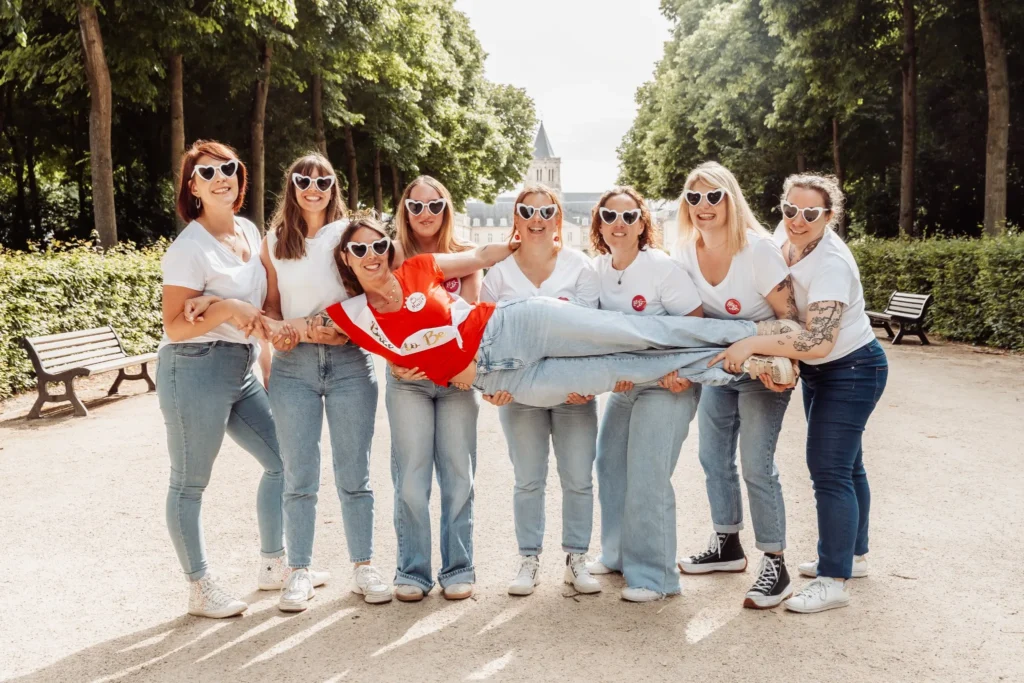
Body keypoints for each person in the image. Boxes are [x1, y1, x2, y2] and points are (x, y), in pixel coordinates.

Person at [264, 216, 796, 413]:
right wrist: (237, 309)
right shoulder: (347, 315)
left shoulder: (419, 269)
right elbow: (287, 329)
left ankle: (755, 332)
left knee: (635, 331)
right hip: (503, 378)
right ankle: (748, 362)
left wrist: (515, 241)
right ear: (346, 262)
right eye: (359, 251)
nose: (372, 254)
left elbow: (476, 257)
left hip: (514, 324)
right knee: (629, 368)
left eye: (378, 245)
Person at [710, 173, 888, 613]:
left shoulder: (831, 262)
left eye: (811, 213)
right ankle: (854, 556)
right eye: (790, 209)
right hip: (823, 373)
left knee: (828, 470)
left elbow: (819, 341)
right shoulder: (783, 237)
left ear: (829, 216)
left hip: (851, 369)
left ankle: (833, 579)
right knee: (849, 466)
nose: (798, 219)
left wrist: (751, 342)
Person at [157, 140, 286, 618]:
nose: (220, 178)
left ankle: (274, 564)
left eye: (228, 169)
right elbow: (174, 324)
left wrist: (265, 358)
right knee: (190, 483)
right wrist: (227, 307)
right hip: (193, 367)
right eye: (206, 174)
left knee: (283, 460)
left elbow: (263, 304)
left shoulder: (250, 232)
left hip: (240, 366)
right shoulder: (189, 248)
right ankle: (199, 587)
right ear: (192, 188)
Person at [261, 153, 389, 609]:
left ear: (335, 186)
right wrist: (279, 332)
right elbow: (272, 305)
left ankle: (364, 566)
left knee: (355, 474)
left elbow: (376, 289)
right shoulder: (273, 240)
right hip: (294, 367)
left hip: (349, 363)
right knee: (299, 476)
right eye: (302, 179)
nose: (312, 187)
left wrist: (344, 327)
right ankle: (298, 571)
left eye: (323, 180)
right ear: (291, 185)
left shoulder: (349, 235)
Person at [671, 162, 799, 609]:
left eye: (713, 197)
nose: (704, 207)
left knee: (756, 465)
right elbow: (687, 317)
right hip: (719, 370)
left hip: (762, 368)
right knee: (712, 457)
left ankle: (776, 563)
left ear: (730, 198)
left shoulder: (759, 251)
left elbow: (792, 319)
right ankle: (727, 544)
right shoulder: (685, 251)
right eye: (694, 198)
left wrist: (758, 350)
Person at [478, 184, 603, 597]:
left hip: (573, 396)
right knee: (528, 480)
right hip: (519, 397)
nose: (536, 219)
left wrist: (586, 385)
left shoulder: (579, 267)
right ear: (516, 218)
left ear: (557, 219)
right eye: (527, 212)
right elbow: (485, 339)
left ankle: (576, 559)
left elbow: (592, 335)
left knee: (578, 479)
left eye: (545, 211)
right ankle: (529, 558)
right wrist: (492, 388)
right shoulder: (497, 274)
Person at [582, 186, 704, 602]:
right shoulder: (596, 270)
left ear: (642, 224)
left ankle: (656, 577)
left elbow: (696, 324)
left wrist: (683, 374)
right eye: (610, 216)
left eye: (628, 217)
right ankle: (617, 554)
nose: (619, 224)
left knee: (649, 479)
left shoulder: (662, 269)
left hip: (668, 385)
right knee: (611, 466)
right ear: (598, 222)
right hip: (625, 385)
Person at [381, 176, 483, 601]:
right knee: (411, 479)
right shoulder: (390, 255)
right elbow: (377, 314)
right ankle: (412, 571)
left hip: (455, 380)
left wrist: (468, 367)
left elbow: (474, 316)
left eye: (434, 205)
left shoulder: (463, 256)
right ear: (404, 209)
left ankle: (459, 568)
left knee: (459, 477)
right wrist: (392, 358)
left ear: (447, 208)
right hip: (409, 383)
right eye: (416, 206)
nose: (425, 214)